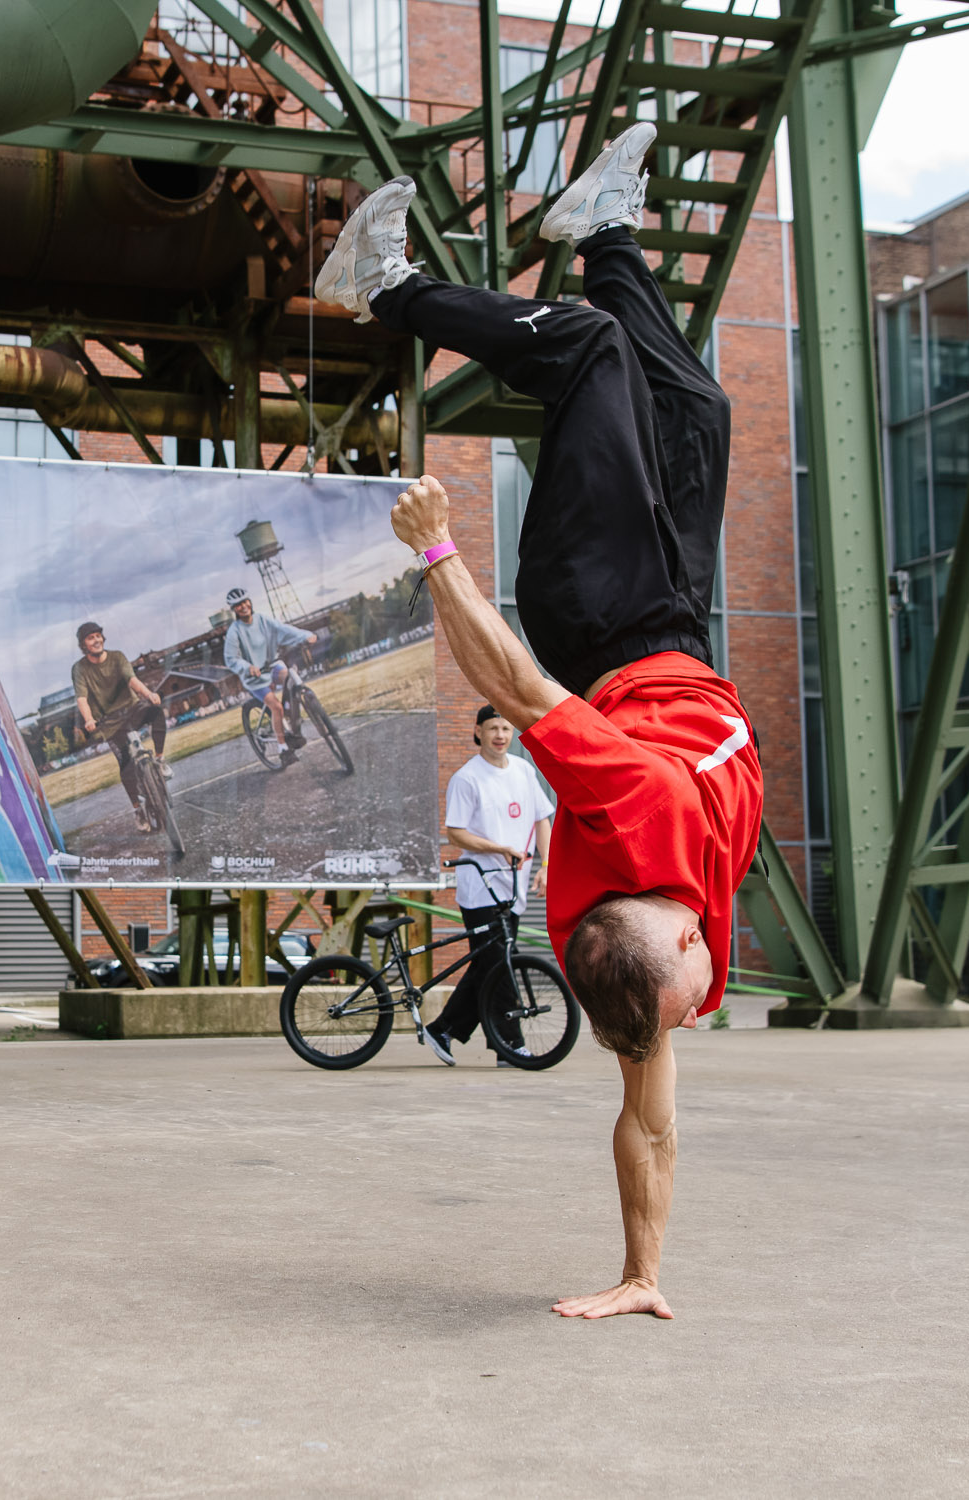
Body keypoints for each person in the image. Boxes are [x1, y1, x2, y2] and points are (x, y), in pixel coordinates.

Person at [316, 126, 763, 1319]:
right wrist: (640, 1276)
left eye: (692, 983)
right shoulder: (640, 979)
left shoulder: (642, 805)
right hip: (681, 617)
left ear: (661, 932)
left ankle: (388, 289)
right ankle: (600, 231)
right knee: (701, 411)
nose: (710, 985)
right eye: (688, 1001)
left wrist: (438, 553)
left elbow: (514, 688)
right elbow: (649, 1131)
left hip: (602, 614)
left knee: (592, 352)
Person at [422, 704, 555, 1067]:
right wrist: (499, 848)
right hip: (480, 889)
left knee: (487, 965)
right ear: (478, 731)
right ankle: (509, 1045)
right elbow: (455, 832)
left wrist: (546, 863)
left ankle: (443, 1028)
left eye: (506, 729)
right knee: (499, 965)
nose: (500, 735)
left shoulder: (524, 771)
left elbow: (542, 819)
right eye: (493, 728)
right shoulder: (468, 778)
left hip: (514, 888)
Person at [70, 621, 172, 831]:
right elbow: (82, 698)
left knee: (156, 713)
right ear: (83, 645)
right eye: (91, 638)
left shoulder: (117, 656)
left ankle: (160, 760)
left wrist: (149, 694)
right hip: (108, 722)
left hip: (131, 709)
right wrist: (89, 719)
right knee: (125, 764)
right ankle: (138, 810)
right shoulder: (79, 669)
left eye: (98, 635)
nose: (97, 640)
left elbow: (131, 680)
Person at [221, 587, 316, 761]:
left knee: (290, 678)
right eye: (238, 605)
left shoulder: (262, 620)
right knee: (276, 707)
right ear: (234, 609)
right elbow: (231, 658)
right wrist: (247, 667)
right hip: (254, 678)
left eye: (244, 602)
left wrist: (305, 635)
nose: (243, 606)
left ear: (249, 602)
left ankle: (292, 715)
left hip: (271, 666)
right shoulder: (234, 632)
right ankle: (283, 749)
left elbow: (283, 629)